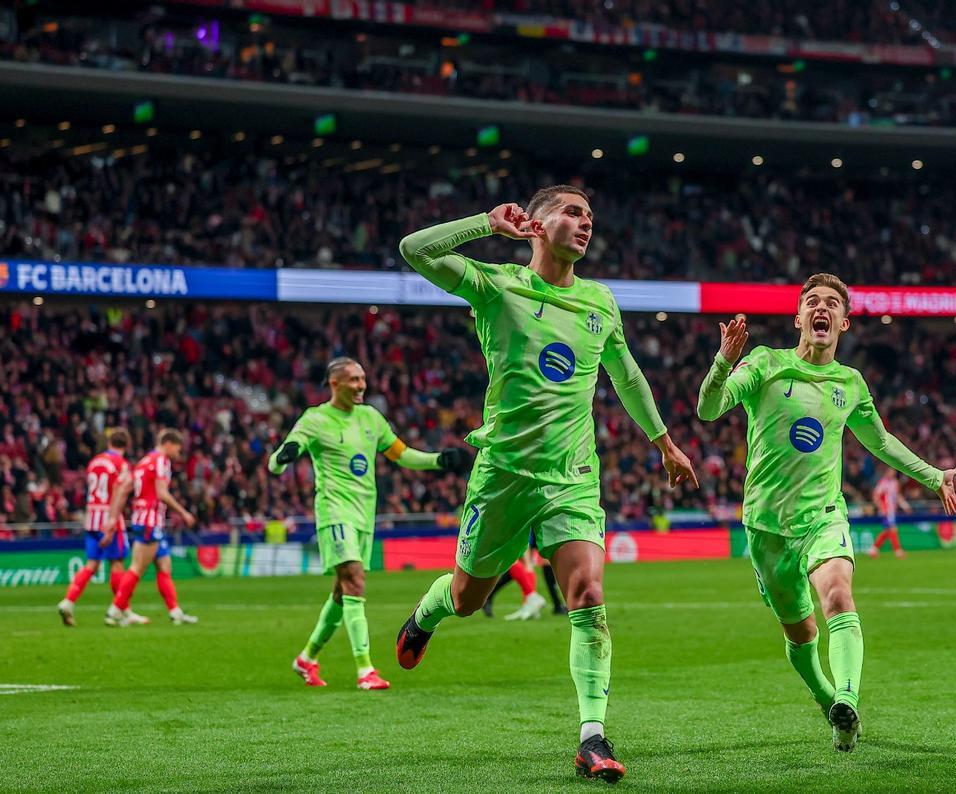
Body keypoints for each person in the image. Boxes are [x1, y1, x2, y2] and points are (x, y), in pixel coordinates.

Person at [395, 186, 698, 782]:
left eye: (592, 215)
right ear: (537, 222)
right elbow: (415, 250)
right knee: (465, 599)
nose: (587, 223)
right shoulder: (497, 285)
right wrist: (484, 224)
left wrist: (663, 441)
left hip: (573, 477)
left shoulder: (599, 301)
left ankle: (592, 736)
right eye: (574, 212)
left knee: (586, 594)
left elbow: (627, 374)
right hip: (503, 475)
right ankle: (425, 615)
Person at [696, 273, 956, 753]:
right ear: (799, 318)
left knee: (838, 595)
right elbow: (708, 409)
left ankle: (848, 696)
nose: (822, 309)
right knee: (801, 633)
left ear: (844, 321)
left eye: (832, 304)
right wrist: (723, 362)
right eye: (813, 302)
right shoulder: (765, 364)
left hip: (823, 516)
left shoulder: (850, 383)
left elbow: (879, 441)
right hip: (766, 527)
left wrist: (931, 475)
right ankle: (826, 699)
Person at [269, 357, 471, 690]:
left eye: (363, 378)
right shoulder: (315, 419)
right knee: (355, 581)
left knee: (342, 592)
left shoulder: (371, 418)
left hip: (365, 515)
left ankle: (306, 658)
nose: (362, 385)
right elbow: (278, 461)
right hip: (334, 511)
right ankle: (366, 670)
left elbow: (401, 454)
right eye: (354, 379)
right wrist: (282, 458)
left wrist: (438, 460)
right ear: (335, 383)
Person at [106, 429, 200, 627]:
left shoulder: (143, 461)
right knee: (137, 567)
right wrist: (183, 513)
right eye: (177, 448)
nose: (177, 453)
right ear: (168, 443)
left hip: (144, 518)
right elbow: (162, 493)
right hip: (150, 521)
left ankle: (175, 612)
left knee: (164, 566)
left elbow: (125, 489)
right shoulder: (161, 461)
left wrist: (114, 515)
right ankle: (115, 609)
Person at [57, 428, 146, 626]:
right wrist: (112, 521)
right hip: (109, 516)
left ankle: (68, 601)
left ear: (109, 443)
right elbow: (119, 493)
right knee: (117, 563)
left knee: (91, 564)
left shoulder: (94, 461)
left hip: (91, 517)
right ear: (127, 445)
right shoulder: (121, 464)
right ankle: (122, 610)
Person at [868, 469, 910, 558]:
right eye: (890, 472)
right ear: (886, 472)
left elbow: (898, 496)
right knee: (893, 529)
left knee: (888, 531)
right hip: (886, 511)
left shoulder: (895, 483)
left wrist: (905, 506)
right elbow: (876, 496)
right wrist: (881, 508)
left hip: (892, 510)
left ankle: (874, 549)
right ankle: (898, 551)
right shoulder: (883, 483)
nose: (892, 474)